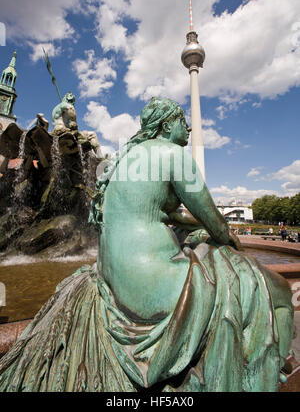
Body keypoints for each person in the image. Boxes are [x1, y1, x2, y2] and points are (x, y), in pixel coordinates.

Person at [0, 97, 293, 392]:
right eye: (182, 121)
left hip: (114, 283)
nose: (188, 128)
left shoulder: (122, 161)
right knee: (274, 288)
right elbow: (214, 221)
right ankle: (273, 378)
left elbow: (166, 213)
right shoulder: (173, 155)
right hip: (152, 284)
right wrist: (225, 235)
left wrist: (197, 226)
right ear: (166, 126)